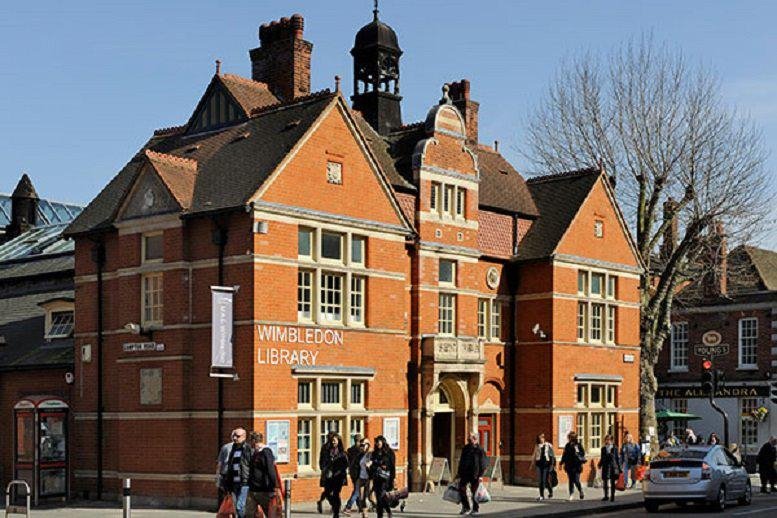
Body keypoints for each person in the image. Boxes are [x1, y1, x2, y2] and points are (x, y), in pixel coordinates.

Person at [217, 428, 251, 518]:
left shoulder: (248, 449)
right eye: (234, 436)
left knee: (240, 506)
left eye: (238, 436)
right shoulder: (233, 448)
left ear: (244, 437)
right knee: (235, 507)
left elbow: (250, 465)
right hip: (233, 482)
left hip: (244, 482)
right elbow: (229, 465)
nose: (235, 438)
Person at [245, 432, 278, 518]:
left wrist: (273, 488)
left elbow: (271, 470)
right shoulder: (255, 452)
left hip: (264, 490)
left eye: (250, 441)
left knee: (270, 513)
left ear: (253, 441)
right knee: (249, 514)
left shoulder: (266, 452)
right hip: (252, 489)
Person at [456, 433, 488, 516]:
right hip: (465, 473)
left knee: (475, 492)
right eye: (468, 439)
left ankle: (475, 509)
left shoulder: (480, 450)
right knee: (461, 489)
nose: (469, 441)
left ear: (475, 439)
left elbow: (483, 463)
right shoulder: (465, 448)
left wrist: (481, 476)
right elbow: (462, 461)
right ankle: (466, 507)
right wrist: (458, 474)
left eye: (470, 439)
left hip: (475, 474)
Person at [321, 433, 349, 517]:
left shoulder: (342, 453)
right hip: (329, 476)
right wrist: (324, 468)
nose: (333, 442)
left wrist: (339, 469)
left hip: (338, 476)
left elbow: (346, 464)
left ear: (338, 441)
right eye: (332, 440)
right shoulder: (327, 451)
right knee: (327, 493)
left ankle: (336, 513)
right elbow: (323, 461)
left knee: (336, 494)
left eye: (335, 440)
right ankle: (335, 506)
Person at [370, 435, 397, 518]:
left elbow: (392, 466)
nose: (377, 444)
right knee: (378, 498)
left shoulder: (389, 452)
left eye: (379, 442)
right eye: (376, 442)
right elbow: (372, 465)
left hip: (385, 478)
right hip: (376, 477)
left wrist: (393, 478)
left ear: (383, 442)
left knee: (382, 495)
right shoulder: (374, 453)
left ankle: (387, 511)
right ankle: (381, 514)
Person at [559, 431, 585, 500]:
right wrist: (561, 463)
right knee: (570, 480)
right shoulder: (567, 445)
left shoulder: (578, 445)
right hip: (569, 465)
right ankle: (571, 494)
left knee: (576, 480)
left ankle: (580, 490)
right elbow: (564, 455)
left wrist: (578, 454)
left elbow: (583, 453)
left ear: (573, 438)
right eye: (569, 437)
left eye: (570, 437)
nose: (569, 438)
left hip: (577, 466)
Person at [344, 433, 365, 516]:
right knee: (357, 491)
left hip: (352, 472)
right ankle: (348, 507)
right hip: (359, 473)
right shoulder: (361, 450)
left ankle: (360, 507)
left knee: (357, 489)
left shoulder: (350, 449)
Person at [531, 433, 556, 501]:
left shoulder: (548, 445)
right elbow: (534, 455)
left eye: (542, 438)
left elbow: (552, 456)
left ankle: (550, 491)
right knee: (541, 481)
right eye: (539, 438)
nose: (541, 439)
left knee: (546, 480)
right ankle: (541, 496)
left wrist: (552, 465)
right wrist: (532, 464)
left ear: (544, 438)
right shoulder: (537, 446)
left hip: (546, 465)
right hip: (539, 464)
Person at [317, 431, 336, 514]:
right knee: (329, 490)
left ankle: (321, 502)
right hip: (329, 471)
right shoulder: (328, 447)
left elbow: (321, 459)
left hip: (328, 470)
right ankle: (333, 504)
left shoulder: (325, 447)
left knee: (328, 490)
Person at [599, 434, 621, 502]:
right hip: (605, 466)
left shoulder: (615, 448)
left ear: (611, 440)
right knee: (605, 481)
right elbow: (602, 458)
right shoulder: (603, 448)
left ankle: (612, 496)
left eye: (609, 440)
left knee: (612, 482)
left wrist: (619, 468)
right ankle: (606, 496)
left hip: (613, 466)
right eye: (606, 440)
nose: (607, 441)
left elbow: (617, 458)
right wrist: (600, 464)